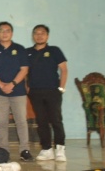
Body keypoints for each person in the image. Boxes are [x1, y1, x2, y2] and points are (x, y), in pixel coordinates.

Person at [0, 22, 32, 162]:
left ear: (12, 33)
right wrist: (1, 85)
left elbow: (24, 69)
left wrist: (12, 84)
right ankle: (4, 150)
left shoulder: (20, 49)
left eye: (8, 31)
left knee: (21, 121)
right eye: (2, 31)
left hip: (18, 92)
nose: (5, 33)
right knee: (2, 122)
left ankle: (24, 150)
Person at [27, 25, 68, 162]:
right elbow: (24, 71)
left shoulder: (54, 50)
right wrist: (27, 88)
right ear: (33, 36)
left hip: (53, 91)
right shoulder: (28, 52)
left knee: (56, 120)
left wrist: (61, 88)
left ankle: (60, 148)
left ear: (47, 36)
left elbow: (64, 70)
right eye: (36, 33)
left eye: (42, 33)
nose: (39, 35)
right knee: (41, 121)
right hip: (35, 92)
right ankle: (46, 149)